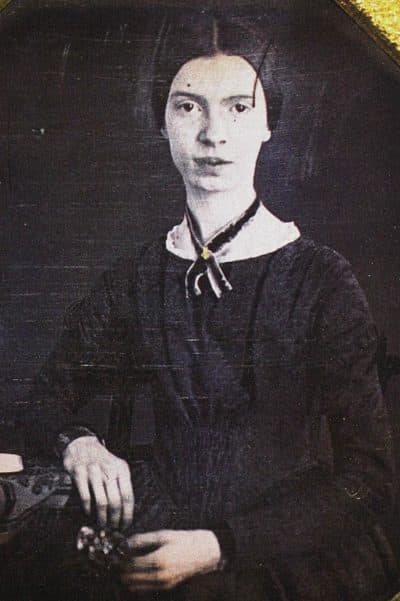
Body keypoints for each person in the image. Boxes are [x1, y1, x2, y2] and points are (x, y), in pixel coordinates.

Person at [18, 9, 398, 601]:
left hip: (287, 560)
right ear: (162, 123)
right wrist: (80, 442)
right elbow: (41, 399)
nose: (213, 134)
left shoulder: (320, 278)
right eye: (188, 106)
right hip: (155, 540)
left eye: (238, 108)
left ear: (269, 124)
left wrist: (220, 546)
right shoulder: (137, 276)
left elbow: (369, 480)